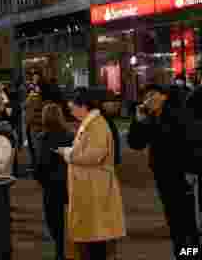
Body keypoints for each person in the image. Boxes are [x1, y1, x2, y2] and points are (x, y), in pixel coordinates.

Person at [128, 84, 199, 258]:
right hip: (163, 177)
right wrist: (138, 120)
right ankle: (182, 253)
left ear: (164, 96)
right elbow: (136, 143)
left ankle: (190, 254)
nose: (148, 100)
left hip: (183, 177)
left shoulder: (177, 114)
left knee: (187, 223)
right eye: (145, 97)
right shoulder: (149, 117)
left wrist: (189, 172)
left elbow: (188, 143)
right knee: (174, 221)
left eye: (153, 95)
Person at [59, 88, 126, 260]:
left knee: (96, 237)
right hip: (91, 186)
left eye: (72, 108)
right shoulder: (92, 123)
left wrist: (69, 154)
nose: (71, 112)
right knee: (93, 236)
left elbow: (94, 155)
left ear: (84, 107)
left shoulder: (96, 125)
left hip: (95, 188)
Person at [33, 103, 74, 260]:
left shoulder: (43, 138)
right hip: (69, 183)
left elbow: (40, 164)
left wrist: (41, 180)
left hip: (51, 186)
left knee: (54, 222)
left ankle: (60, 251)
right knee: (71, 220)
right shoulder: (70, 135)